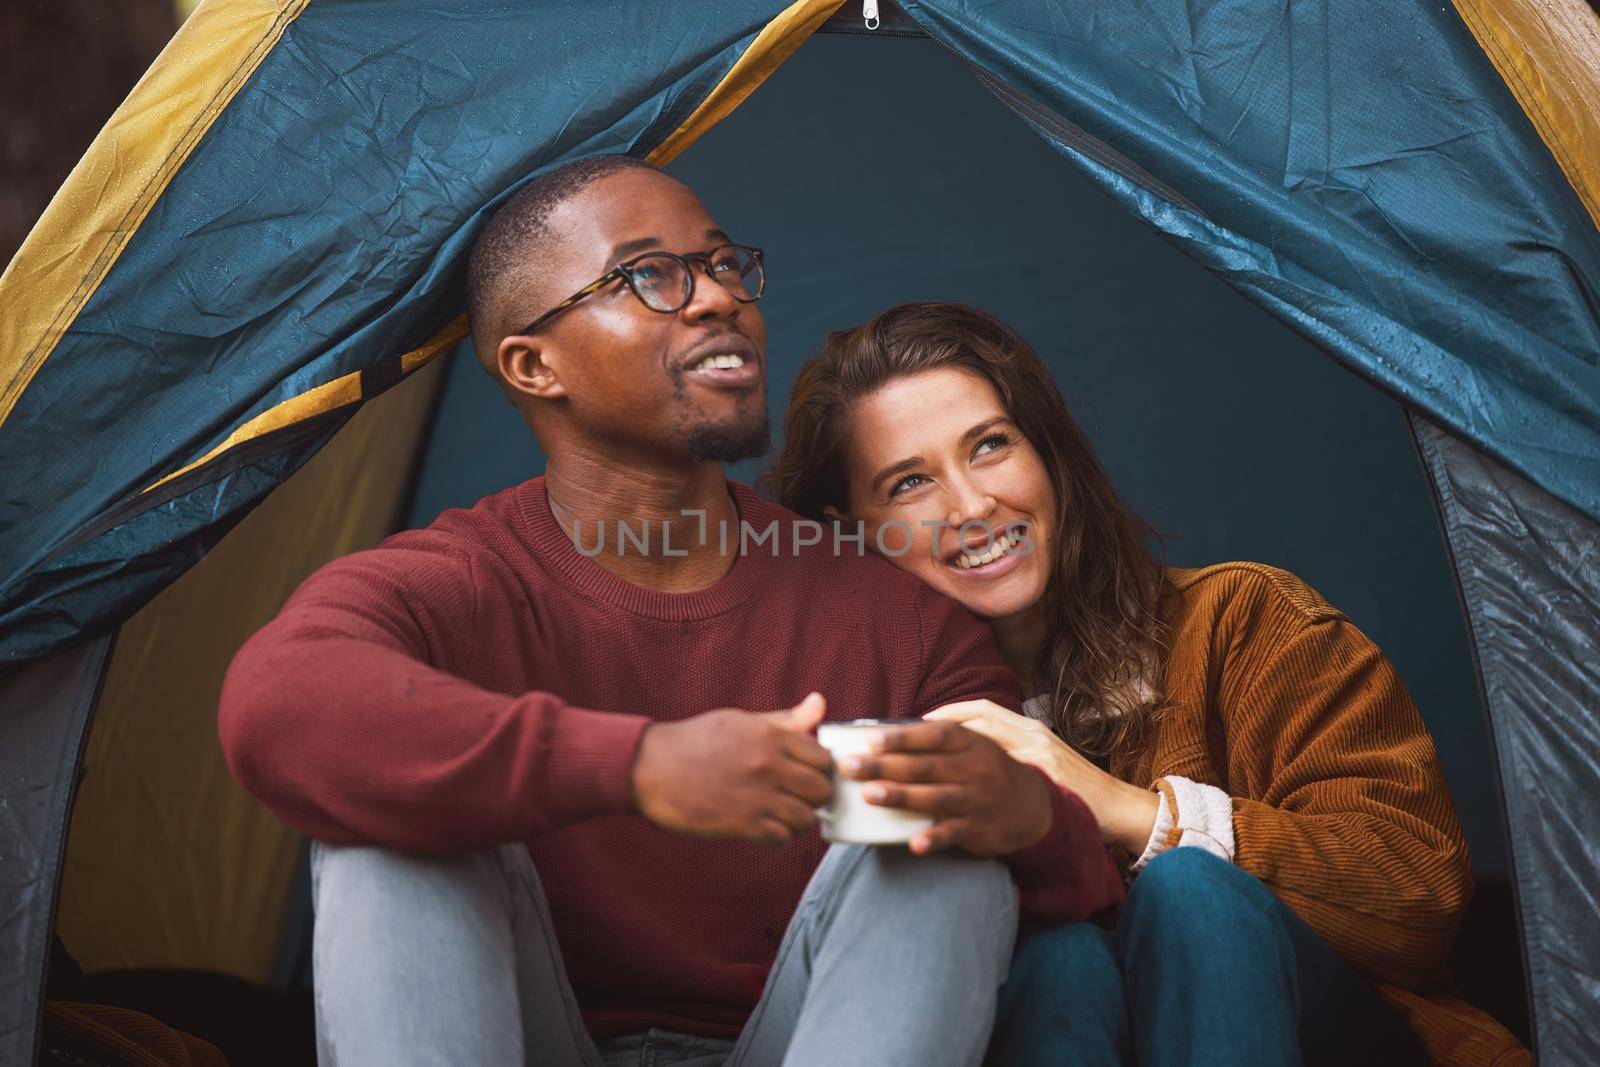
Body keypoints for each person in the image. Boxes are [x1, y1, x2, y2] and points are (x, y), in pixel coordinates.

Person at [218, 160, 1124, 1066]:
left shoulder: (899, 613)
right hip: (530, 1034)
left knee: (946, 840)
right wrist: (638, 765)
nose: (718, 299)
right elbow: (275, 700)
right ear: (537, 366)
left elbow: (1085, 884)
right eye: (650, 276)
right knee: (385, 814)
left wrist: (1027, 816)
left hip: (798, 1036)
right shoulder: (460, 578)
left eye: (727, 265)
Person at [763, 302, 1529, 1067]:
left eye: (991, 444)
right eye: (909, 482)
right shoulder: (863, 728)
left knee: (1190, 890)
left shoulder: (1244, 620)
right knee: (1058, 959)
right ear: (850, 530)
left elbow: (1422, 896)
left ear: (1049, 454)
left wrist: (1131, 811)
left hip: (1347, 1038)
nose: (971, 506)